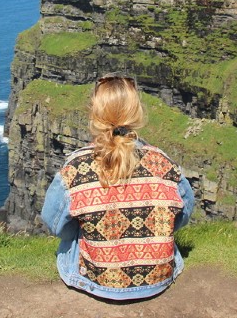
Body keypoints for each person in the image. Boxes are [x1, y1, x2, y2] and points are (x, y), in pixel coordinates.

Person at [41, 74, 195, 300]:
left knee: (71, 236)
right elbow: (184, 213)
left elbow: (54, 223)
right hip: (158, 279)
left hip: (95, 280)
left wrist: (87, 228)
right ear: (137, 113)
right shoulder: (163, 163)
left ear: (95, 114)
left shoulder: (75, 167)